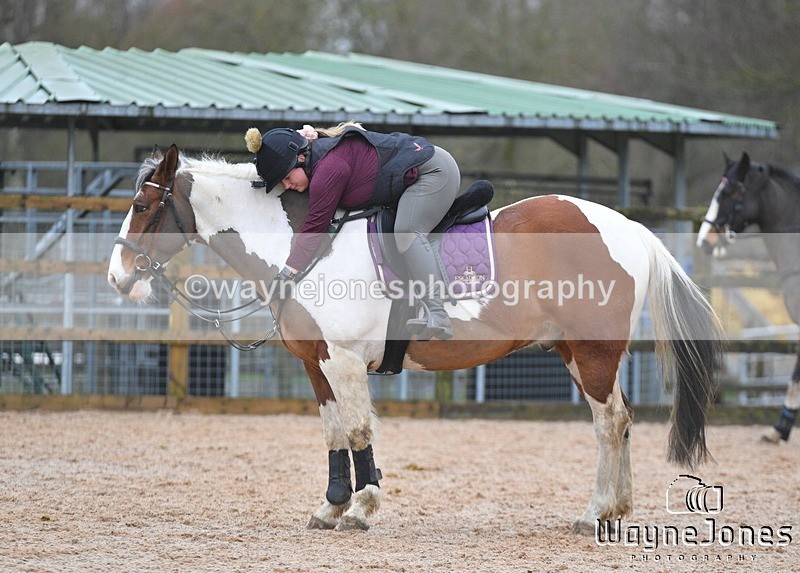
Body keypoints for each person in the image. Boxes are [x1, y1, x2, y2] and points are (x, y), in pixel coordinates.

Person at [245, 122, 461, 340]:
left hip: (434, 172)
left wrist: (288, 272)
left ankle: (437, 311)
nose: (287, 185)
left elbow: (315, 227)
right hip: (423, 167)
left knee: (406, 231)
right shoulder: (318, 158)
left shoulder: (328, 170)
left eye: (287, 177)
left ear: (301, 158)